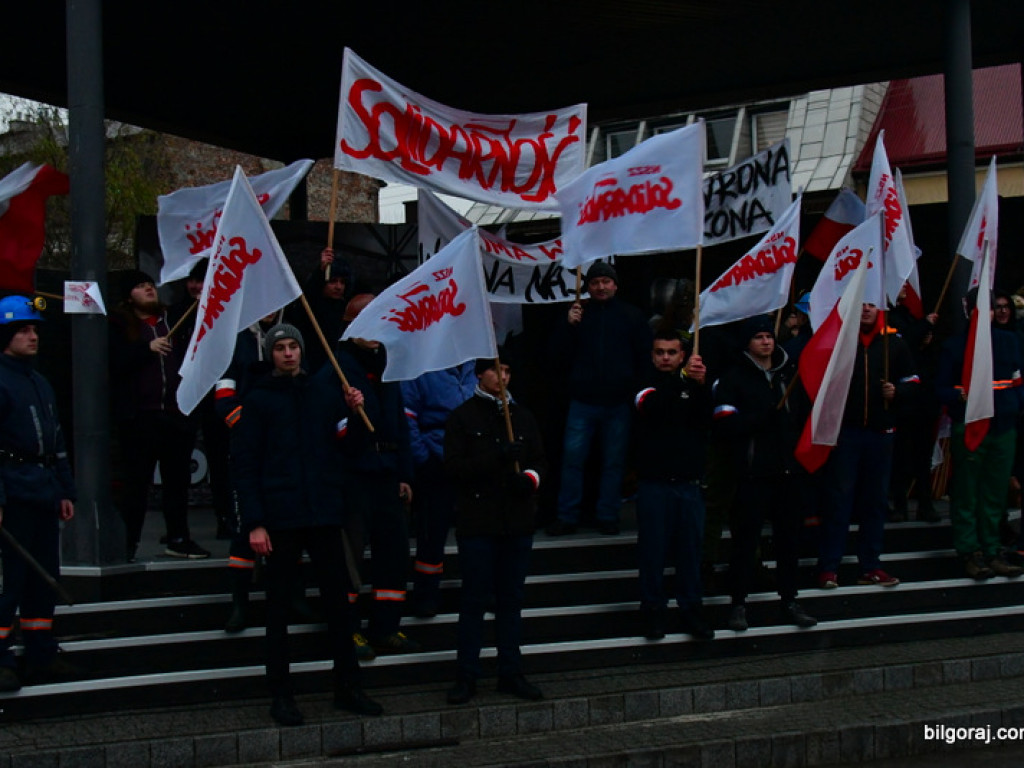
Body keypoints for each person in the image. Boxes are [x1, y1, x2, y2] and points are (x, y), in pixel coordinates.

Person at [232, 323, 381, 726]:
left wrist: (353, 413)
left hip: (323, 513)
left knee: (339, 607)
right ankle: (281, 695)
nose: (287, 353)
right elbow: (245, 467)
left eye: (292, 346)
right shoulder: (259, 400)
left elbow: (349, 447)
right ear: (270, 354)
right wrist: (255, 523)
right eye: (279, 347)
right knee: (278, 611)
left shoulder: (322, 393)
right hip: (280, 519)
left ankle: (348, 687)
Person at [445, 358, 547, 704]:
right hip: (479, 522)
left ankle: (511, 671)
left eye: (506, 371)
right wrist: (497, 458)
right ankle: (466, 674)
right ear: (480, 374)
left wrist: (529, 479)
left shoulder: (523, 415)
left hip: (516, 520)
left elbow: (540, 460)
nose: (502, 377)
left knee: (511, 600)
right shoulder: (462, 416)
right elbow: (455, 468)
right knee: (474, 600)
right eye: (495, 370)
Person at [328, 295, 420, 657]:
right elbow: (333, 430)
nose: (374, 332)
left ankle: (386, 627)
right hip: (354, 476)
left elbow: (399, 423)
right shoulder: (337, 369)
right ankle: (348, 630)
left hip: (387, 473)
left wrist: (405, 474)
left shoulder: (388, 366)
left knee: (394, 554)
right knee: (348, 559)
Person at [713, 316, 816, 631]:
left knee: (788, 542)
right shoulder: (734, 378)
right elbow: (724, 421)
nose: (765, 342)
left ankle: (789, 600)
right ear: (748, 342)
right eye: (758, 337)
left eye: (769, 336)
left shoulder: (791, 375)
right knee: (746, 543)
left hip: (787, 473)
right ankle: (738, 605)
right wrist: (760, 418)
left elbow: (804, 417)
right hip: (752, 475)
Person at [0, 296, 77, 691]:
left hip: (43, 491)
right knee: (9, 579)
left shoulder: (39, 380)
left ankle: (39, 649)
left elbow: (57, 441)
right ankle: (1, 656)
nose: (33, 336)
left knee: (43, 576)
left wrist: (65, 489)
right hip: (13, 493)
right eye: (24, 330)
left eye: (34, 330)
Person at [108, 270, 210, 562]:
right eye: (140, 287)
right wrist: (146, 348)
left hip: (175, 414)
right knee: (136, 483)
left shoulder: (172, 318)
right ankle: (128, 542)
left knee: (177, 482)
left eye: (150, 285)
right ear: (129, 296)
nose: (148, 290)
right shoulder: (118, 325)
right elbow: (115, 363)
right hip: (140, 416)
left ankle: (178, 538)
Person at [816, 303, 918, 590]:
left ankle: (870, 565)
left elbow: (913, 379)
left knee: (874, 502)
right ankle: (829, 567)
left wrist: (899, 391)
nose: (866, 309)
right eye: (861, 304)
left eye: (872, 305)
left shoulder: (893, 342)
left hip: (880, 432)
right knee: (839, 501)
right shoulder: (839, 339)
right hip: (846, 432)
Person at [547, 261, 652, 536]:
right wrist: (568, 326)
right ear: (588, 287)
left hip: (618, 402)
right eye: (595, 282)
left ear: (615, 285)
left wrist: (636, 391)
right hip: (583, 401)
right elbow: (555, 357)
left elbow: (644, 359)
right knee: (572, 461)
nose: (601, 286)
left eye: (606, 281)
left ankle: (608, 515)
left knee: (613, 463)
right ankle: (567, 516)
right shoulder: (577, 315)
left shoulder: (632, 316)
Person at [936, 287, 1024, 580]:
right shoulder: (955, 346)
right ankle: (969, 551)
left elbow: (1017, 381)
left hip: (1003, 428)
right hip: (971, 426)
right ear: (969, 311)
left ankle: (992, 549)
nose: (989, 313)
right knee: (967, 492)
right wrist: (956, 396)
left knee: (995, 492)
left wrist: (1013, 408)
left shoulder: (1009, 342)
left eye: (990, 308)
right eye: (981, 308)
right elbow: (939, 389)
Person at [632, 331, 714, 641]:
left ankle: (691, 609)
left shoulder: (693, 384)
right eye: (659, 352)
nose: (664, 357)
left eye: (671, 352)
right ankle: (653, 611)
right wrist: (682, 381)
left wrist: (700, 386)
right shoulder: (642, 382)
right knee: (652, 551)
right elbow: (653, 407)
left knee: (690, 552)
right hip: (655, 484)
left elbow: (706, 420)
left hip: (688, 484)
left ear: (682, 355)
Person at [401, 362, 477, 618]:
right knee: (432, 534)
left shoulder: (477, 364)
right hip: (437, 459)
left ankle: (479, 591)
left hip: (475, 462)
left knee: (478, 531)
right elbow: (406, 416)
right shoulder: (420, 366)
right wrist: (424, 459)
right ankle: (426, 594)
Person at [171, 259, 234, 540]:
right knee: (178, 464)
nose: (196, 286)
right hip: (185, 393)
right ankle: (177, 529)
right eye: (193, 280)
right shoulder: (175, 313)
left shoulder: (225, 312)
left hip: (214, 394)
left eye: (202, 280)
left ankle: (226, 518)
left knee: (221, 461)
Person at [289, 247, 351, 375]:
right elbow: (308, 297)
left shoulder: (346, 308)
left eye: (342, 282)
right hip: (315, 368)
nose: (338, 287)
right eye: (333, 281)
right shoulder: (312, 306)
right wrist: (321, 270)